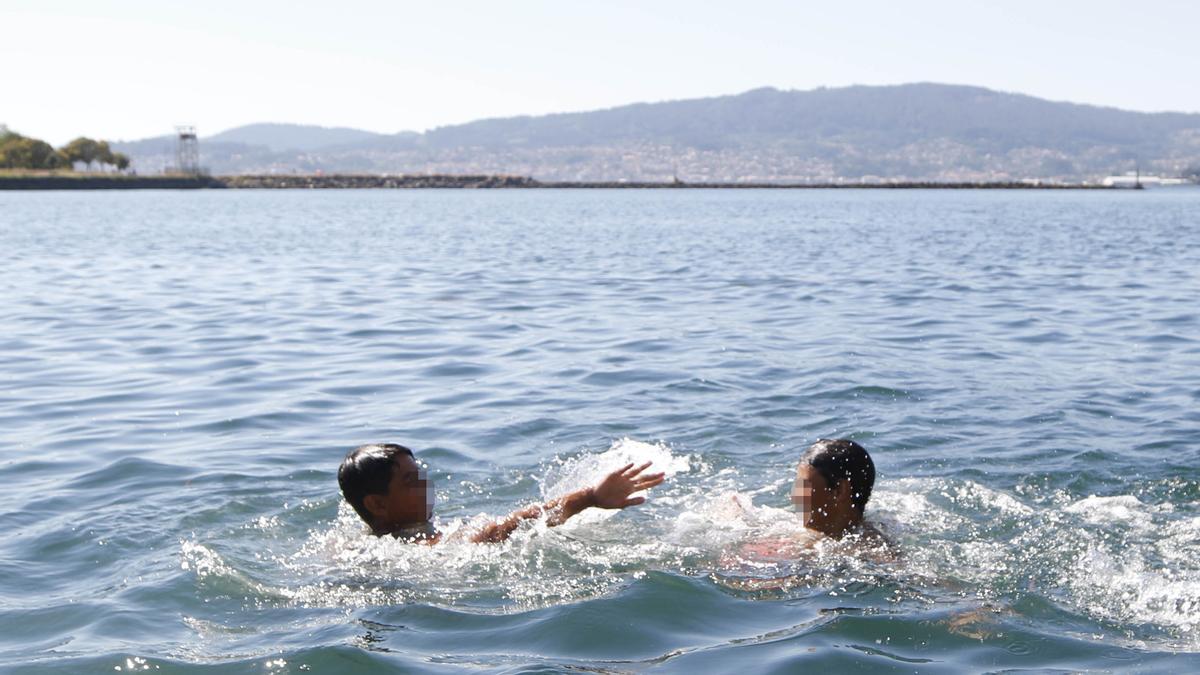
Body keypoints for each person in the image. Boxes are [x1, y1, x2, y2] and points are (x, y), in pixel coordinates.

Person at [337, 442, 666, 543]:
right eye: (412, 481)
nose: (427, 484)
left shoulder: (350, 544)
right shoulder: (426, 547)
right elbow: (503, 529)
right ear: (377, 504)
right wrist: (590, 497)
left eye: (422, 474)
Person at [791, 438, 876, 538]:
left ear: (840, 490)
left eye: (803, 487)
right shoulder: (784, 533)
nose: (793, 496)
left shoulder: (873, 550)